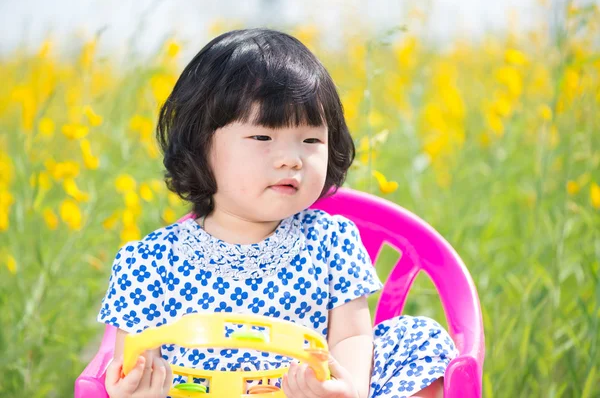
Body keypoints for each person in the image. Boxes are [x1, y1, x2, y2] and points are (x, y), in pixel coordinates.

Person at [98, 28, 457, 398]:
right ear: (200, 144)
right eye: (263, 137)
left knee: (417, 339)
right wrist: (138, 391)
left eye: (311, 140)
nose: (291, 158)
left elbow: (351, 335)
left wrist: (343, 388)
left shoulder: (331, 241)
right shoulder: (148, 263)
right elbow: (138, 366)